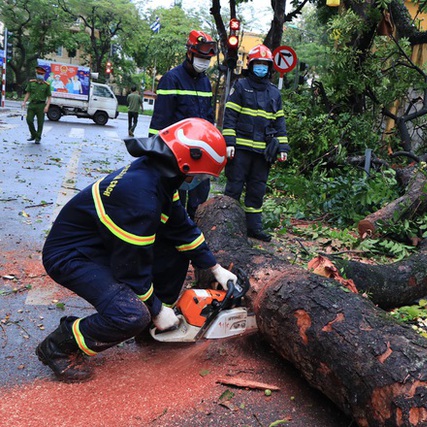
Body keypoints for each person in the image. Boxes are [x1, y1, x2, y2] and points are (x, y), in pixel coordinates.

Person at [36, 118, 237, 383]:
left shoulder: (161, 179)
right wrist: (154, 308)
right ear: (185, 165)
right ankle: (59, 345)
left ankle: (153, 327)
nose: (198, 181)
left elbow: (183, 230)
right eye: (199, 176)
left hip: (105, 246)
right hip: (72, 255)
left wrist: (214, 267)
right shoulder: (139, 196)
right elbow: (131, 268)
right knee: (130, 314)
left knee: (177, 249)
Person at [222, 44, 290, 242]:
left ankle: (254, 228)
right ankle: (228, 227)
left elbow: (280, 122)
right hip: (241, 150)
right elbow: (230, 116)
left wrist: (283, 147)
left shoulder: (274, 93)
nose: (261, 68)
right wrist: (229, 143)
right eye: (257, 64)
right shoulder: (241, 86)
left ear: (270, 68)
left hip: (263, 154)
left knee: (257, 190)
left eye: (264, 64)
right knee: (234, 188)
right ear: (251, 66)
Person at [149, 29, 217, 220]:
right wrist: (155, 152)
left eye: (207, 59)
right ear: (189, 53)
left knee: (199, 199)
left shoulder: (205, 82)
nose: (203, 62)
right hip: (176, 152)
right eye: (199, 57)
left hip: (200, 152)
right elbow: (161, 119)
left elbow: (208, 116)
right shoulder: (172, 79)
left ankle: (193, 237)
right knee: (173, 200)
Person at [22, 66, 52, 144]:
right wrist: (24, 102)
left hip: (41, 105)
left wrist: (47, 106)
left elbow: (49, 97)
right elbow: (28, 93)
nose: (40, 75)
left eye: (41, 74)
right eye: (38, 73)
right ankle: (33, 134)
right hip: (32, 105)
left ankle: (38, 138)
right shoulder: (31, 83)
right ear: (36, 73)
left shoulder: (46, 85)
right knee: (29, 120)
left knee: (40, 122)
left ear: (44, 75)